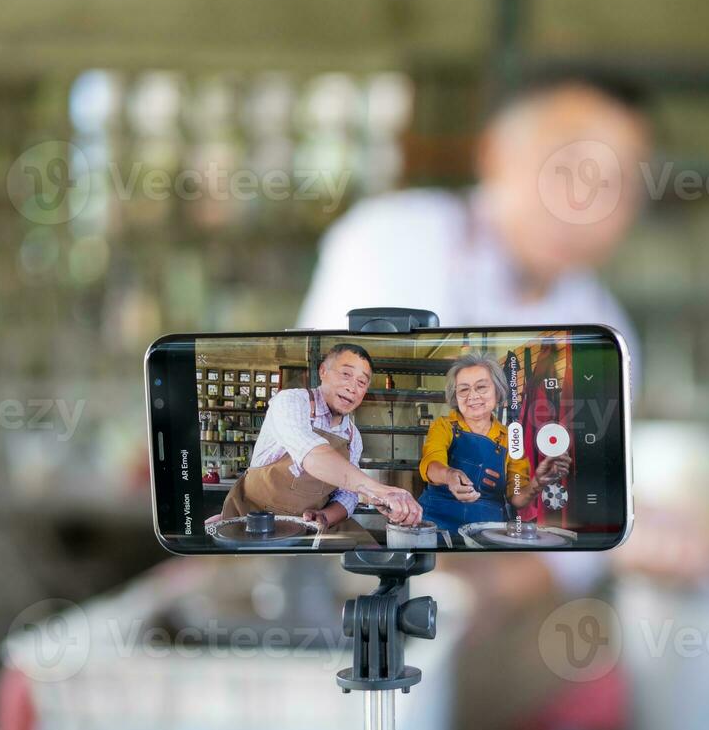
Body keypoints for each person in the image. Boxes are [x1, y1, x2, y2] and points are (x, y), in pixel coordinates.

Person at [297, 70, 651, 597]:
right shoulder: (393, 237)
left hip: (494, 595)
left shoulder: (608, 333)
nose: (582, 203)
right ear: (495, 155)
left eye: (613, 182)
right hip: (342, 562)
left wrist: (498, 586)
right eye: (564, 165)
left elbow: (578, 519)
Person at [218, 343, 422, 544]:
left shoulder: (352, 436)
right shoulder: (291, 402)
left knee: (370, 556)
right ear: (323, 371)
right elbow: (313, 454)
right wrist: (378, 490)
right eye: (346, 375)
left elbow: (348, 494)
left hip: (312, 526)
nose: (352, 387)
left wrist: (325, 516)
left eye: (362, 382)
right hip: (254, 520)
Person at [418, 353, 571, 531]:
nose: (472, 396)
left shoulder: (510, 438)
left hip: (487, 531)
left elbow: (517, 497)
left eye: (481, 387)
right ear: (455, 396)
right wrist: (449, 475)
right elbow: (431, 463)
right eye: (463, 389)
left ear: (497, 392)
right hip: (436, 523)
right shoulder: (443, 426)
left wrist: (537, 483)